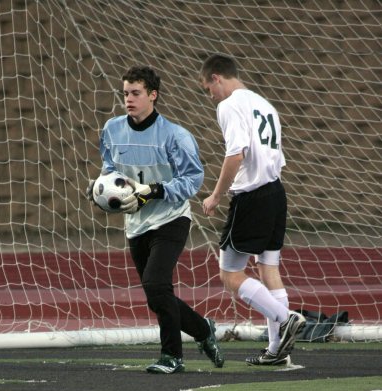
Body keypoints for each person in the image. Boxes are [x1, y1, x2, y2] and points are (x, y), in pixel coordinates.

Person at [88, 65, 224, 374]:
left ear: (153, 95)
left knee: (155, 284)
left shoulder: (176, 136)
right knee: (157, 294)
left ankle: (172, 356)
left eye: (136, 93)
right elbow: (110, 169)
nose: (129, 100)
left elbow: (192, 181)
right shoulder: (112, 130)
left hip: (171, 219)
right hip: (135, 224)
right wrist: (100, 187)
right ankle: (203, 329)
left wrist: (155, 191)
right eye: (125, 93)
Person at [200, 54, 305, 365]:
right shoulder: (266, 106)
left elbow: (236, 154)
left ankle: (285, 318)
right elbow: (278, 159)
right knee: (268, 270)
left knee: (230, 274)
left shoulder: (229, 105)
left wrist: (216, 195)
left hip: (252, 197)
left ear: (217, 78)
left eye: (208, 88)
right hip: (276, 194)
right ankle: (276, 352)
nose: (210, 96)